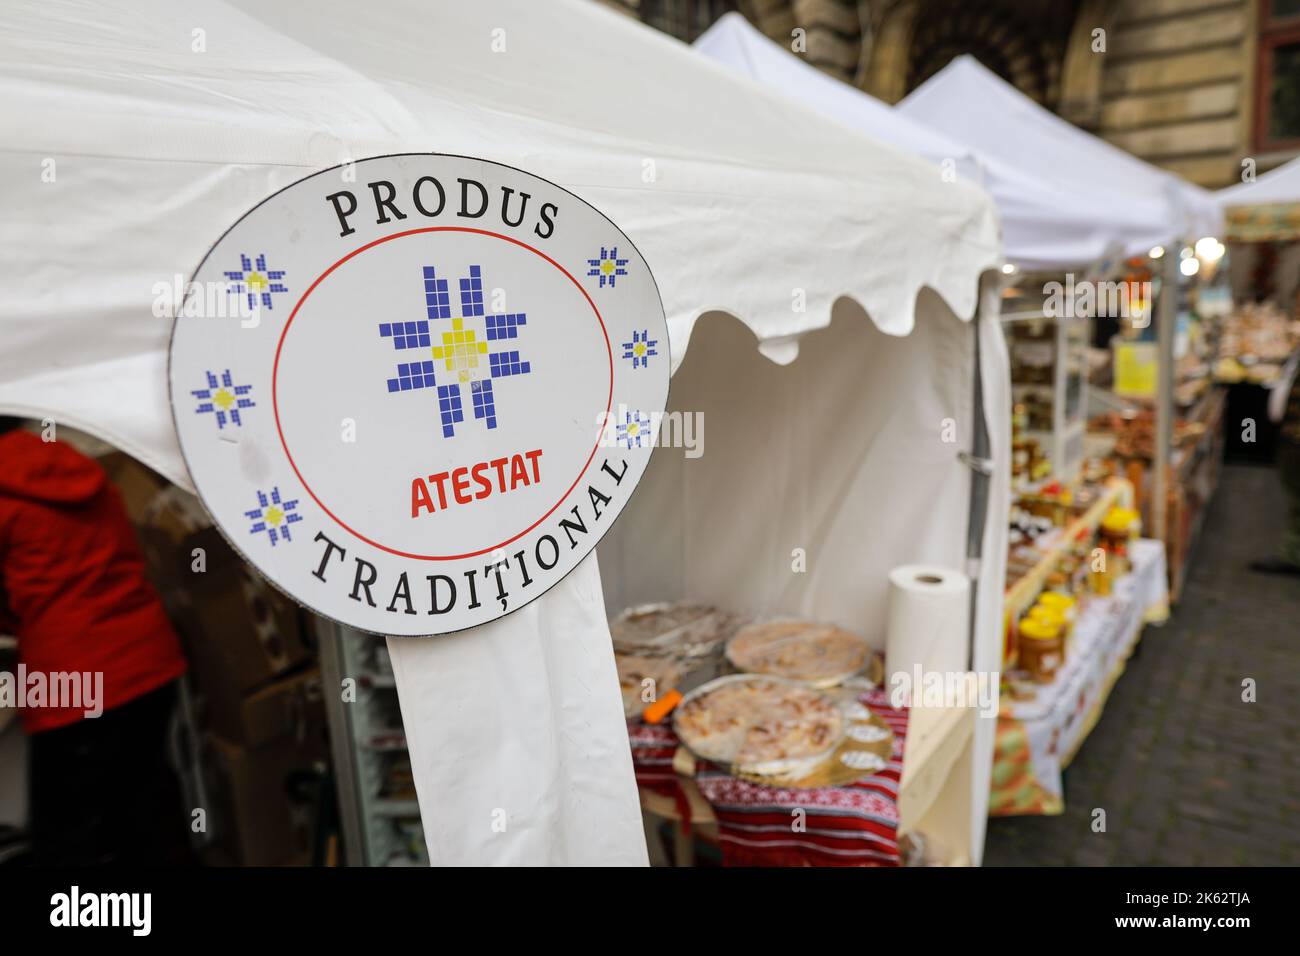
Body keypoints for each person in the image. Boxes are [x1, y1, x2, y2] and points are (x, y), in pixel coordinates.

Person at [0, 416, 191, 864]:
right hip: (150, 658)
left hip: (74, 679)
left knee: (68, 840)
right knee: (150, 817)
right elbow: (124, 550)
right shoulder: (72, 465)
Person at [1251, 347, 1300, 576]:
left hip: (1295, 438)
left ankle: (1293, 555)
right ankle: (1293, 553)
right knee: (1294, 498)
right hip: (1290, 437)